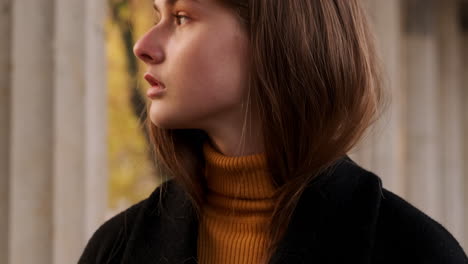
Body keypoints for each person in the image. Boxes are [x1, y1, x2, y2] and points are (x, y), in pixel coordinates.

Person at [78, 0, 467, 263]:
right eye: (155, 14)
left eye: (181, 17)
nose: (143, 45)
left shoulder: (417, 252)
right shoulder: (114, 249)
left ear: (278, 35)